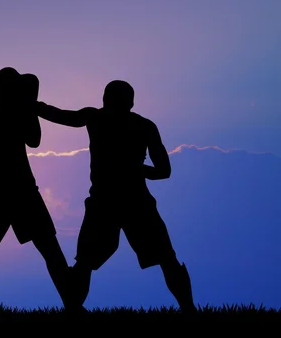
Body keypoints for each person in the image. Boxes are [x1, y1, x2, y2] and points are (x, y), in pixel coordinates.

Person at [35, 80, 198, 315]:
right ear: (131, 102)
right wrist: (138, 170)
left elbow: (63, 116)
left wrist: (33, 104)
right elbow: (163, 171)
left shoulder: (99, 118)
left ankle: (188, 308)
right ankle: (188, 309)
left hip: (114, 201)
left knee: (88, 262)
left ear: (106, 99)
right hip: (128, 201)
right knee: (162, 258)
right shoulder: (141, 125)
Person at [0, 67, 72, 314]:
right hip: (19, 188)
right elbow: (34, 140)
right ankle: (73, 307)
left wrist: (26, 105)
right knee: (50, 250)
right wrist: (28, 106)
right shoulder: (16, 110)